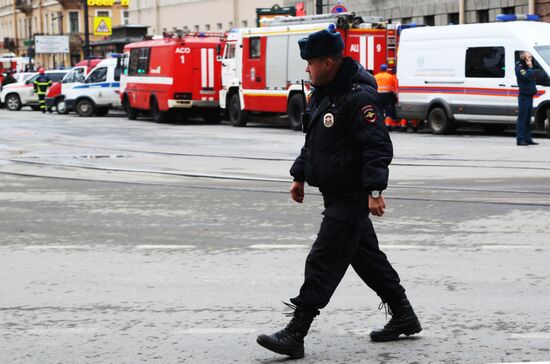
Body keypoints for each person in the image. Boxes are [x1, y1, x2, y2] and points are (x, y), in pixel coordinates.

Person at [256, 29, 422, 359]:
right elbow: (315, 142)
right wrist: (299, 175)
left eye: (311, 63)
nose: (307, 69)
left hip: (351, 194)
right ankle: (404, 315)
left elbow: (376, 146)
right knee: (367, 258)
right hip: (334, 192)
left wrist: (375, 189)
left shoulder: (358, 96)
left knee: (324, 258)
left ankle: (296, 332)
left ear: (328, 62)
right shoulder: (324, 93)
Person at [515, 52, 538, 146]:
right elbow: (526, 77)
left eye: (531, 57)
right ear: (524, 58)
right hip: (524, 96)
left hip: (529, 95)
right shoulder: (520, 67)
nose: (531, 58)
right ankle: (520, 139)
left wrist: (530, 67)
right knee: (522, 118)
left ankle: (528, 138)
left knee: (528, 118)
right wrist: (530, 67)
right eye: (529, 57)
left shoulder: (527, 67)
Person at [374, 64, 399, 131]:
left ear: (380, 69)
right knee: (388, 111)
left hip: (378, 95)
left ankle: (380, 125)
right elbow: (395, 87)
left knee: (379, 110)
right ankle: (387, 126)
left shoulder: (376, 77)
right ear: (386, 69)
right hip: (388, 96)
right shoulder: (390, 76)